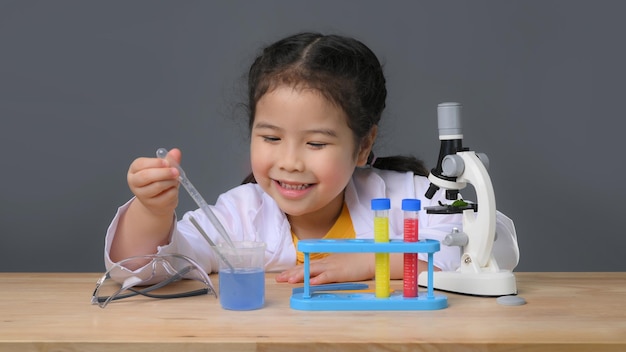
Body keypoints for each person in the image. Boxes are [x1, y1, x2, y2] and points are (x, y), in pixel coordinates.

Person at [105, 32, 518, 285]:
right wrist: (152, 213)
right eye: (270, 137)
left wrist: (373, 262)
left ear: (362, 145)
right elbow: (145, 270)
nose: (289, 161)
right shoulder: (239, 217)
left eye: (316, 143)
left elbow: (486, 251)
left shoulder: (407, 197)